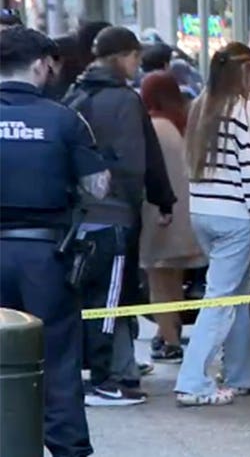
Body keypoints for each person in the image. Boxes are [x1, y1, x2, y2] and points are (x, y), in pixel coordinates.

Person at [0, 26, 109, 457]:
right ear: (41, 64)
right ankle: (68, 449)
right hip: (45, 255)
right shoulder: (63, 118)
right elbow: (97, 187)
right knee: (58, 359)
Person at [175, 42, 250, 406]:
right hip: (236, 217)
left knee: (235, 290)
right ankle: (193, 382)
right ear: (244, 72)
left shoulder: (201, 105)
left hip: (203, 212)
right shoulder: (244, 111)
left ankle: (246, 372)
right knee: (221, 298)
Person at [63, 26, 163, 406]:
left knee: (85, 296)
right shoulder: (124, 100)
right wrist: (147, 203)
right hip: (114, 213)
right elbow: (137, 162)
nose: (138, 64)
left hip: (78, 216)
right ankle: (106, 378)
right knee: (112, 299)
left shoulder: (75, 94)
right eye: (136, 56)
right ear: (122, 56)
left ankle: (103, 371)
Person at [139, 71, 206, 363]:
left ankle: (169, 340)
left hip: (158, 215)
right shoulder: (182, 123)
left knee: (157, 280)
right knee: (174, 279)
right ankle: (169, 330)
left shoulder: (152, 127)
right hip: (185, 216)